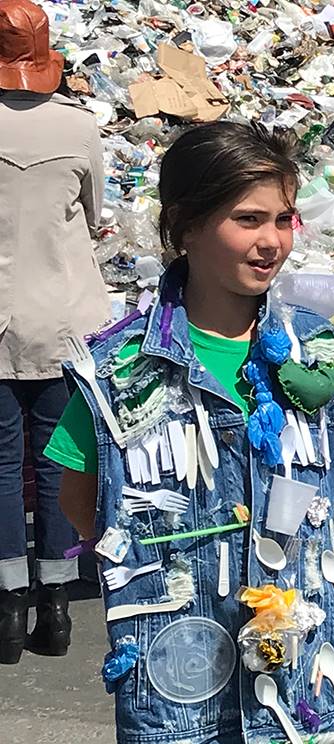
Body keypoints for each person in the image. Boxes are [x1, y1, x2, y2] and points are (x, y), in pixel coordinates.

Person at [45, 122, 334, 743]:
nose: (271, 242)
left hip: (304, 688)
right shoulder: (119, 371)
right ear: (186, 226)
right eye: (248, 220)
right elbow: (79, 501)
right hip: (178, 693)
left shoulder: (325, 357)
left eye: (283, 220)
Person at [0, 0, 110, 664]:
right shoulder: (77, 127)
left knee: (1, 466)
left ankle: (8, 612)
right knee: (56, 461)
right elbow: (95, 216)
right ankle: (58, 608)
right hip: (62, 318)